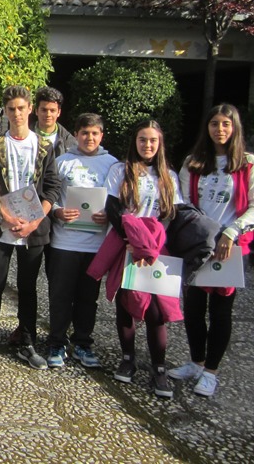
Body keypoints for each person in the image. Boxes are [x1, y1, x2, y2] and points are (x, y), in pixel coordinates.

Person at [170, 104, 254, 397]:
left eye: (226, 124)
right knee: (193, 308)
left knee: (221, 311)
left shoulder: (247, 164)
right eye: (214, 124)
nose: (220, 129)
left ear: (235, 128)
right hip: (198, 244)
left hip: (229, 246)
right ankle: (196, 362)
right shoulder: (193, 162)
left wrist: (231, 232)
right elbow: (183, 201)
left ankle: (211, 372)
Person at [0, 85, 60, 370]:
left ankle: (27, 342)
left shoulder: (44, 146)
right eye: (11, 109)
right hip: (3, 226)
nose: (16, 113)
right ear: (5, 111)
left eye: (21, 108)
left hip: (33, 230)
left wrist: (35, 222)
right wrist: (7, 217)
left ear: (30, 109)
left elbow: (52, 188)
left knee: (28, 287)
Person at [101, 119, 182, 398]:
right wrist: (132, 240)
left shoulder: (169, 176)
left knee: (157, 311)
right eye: (142, 139)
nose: (147, 145)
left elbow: (173, 214)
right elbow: (112, 207)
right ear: (134, 142)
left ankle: (159, 368)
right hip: (128, 247)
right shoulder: (120, 170)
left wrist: (152, 245)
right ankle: (128, 359)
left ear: (160, 143)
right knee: (126, 304)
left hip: (157, 250)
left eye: (153, 140)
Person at [45, 113, 117, 369]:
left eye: (95, 133)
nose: (89, 137)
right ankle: (56, 342)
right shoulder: (62, 162)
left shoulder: (112, 164)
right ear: (76, 135)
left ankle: (83, 343)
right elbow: (49, 195)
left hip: (95, 246)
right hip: (64, 242)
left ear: (101, 136)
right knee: (60, 296)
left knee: (88, 298)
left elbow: (118, 200)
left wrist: (109, 214)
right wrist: (57, 212)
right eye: (85, 133)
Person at [33, 86, 76, 158]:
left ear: (59, 112)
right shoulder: (23, 136)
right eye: (44, 110)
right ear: (36, 111)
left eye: (52, 110)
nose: (48, 114)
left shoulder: (69, 142)